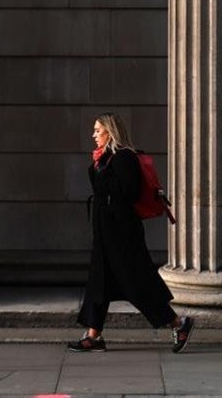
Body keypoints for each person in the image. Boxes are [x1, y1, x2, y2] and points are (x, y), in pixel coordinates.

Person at [68, 112, 194, 353]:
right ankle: (94, 335)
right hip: (105, 232)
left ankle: (179, 325)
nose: (93, 135)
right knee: (99, 283)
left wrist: (101, 177)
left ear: (110, 132)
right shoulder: (103, 158)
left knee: (137, 283)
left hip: (122, 234)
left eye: (98, 130)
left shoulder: (124, 158)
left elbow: (128, 192)